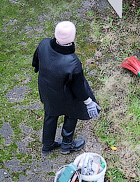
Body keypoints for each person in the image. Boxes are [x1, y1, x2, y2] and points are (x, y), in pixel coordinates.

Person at [32, 21, 101, 155]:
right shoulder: (72, 62)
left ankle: (47, 145)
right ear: (72, 38)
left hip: (47, 90)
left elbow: (36, 61)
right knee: (72, 113)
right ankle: (67, 144)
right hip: (64, 95)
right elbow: (78, 87)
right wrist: (88, 102)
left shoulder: (44, 43)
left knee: (50, 115)